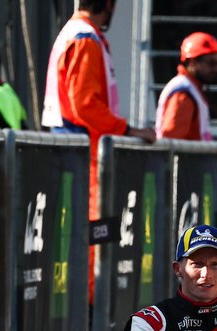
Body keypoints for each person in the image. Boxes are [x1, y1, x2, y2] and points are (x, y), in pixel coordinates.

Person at [43, 0, 155, 299]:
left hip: (78, 152)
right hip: (86, 154)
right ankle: (89, 309)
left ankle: (84, 310)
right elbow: (86, 105)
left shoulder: (76, 34)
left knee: (83, 233)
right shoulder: (85, 40)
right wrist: (128, 130)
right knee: (93, 232)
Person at [154, 31, 217, 141]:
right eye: (211, 63)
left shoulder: (192, 89)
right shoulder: (183, 93)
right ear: (193, 63)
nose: (216, 69)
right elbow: (172, 138)